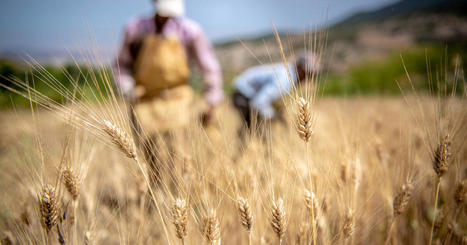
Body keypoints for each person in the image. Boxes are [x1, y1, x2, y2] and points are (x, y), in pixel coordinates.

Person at [113, 0, 223, 184]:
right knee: (150, 158)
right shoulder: (135, 28)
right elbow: (121, 64)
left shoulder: (190, 31)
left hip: (177, 99)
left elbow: (209, 67)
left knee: (178, 155)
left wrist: (212, 99)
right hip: (144, 101)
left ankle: (178, 195)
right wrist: (125, 85)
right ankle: (156, 197)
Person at [232, 53, 320, 131]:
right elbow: (258, 102)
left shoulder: (287, 71)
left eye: (313, 74)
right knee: (261, 134)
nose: (308, 78)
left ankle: (240, 144)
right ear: (300, 68)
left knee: (253, 129)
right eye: (309, 73)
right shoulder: (285, 80)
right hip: (243, 94)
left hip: (245, 92)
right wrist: (275, 117)